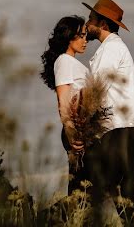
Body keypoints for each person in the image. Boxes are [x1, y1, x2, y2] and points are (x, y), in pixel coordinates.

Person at [83, 0, 134, 219]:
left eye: (91, 19)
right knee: (125, 190)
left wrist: (83, 127)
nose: (86, 24)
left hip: (118, 129)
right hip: (129, 127)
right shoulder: (116, 48)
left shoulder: (110, 49)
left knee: (100, 189)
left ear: (103, 25)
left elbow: (96, 90)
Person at [39, 15, 91, 194]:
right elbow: (63, 99)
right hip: (75, 132)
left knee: (84, 191)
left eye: (86, 35)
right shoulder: (64, 61)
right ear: (69, 36)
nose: (86, 40)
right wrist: (71, 132)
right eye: (81, 35)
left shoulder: (71, 62)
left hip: (81, 130)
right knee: (79, 192)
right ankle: (45, 219)